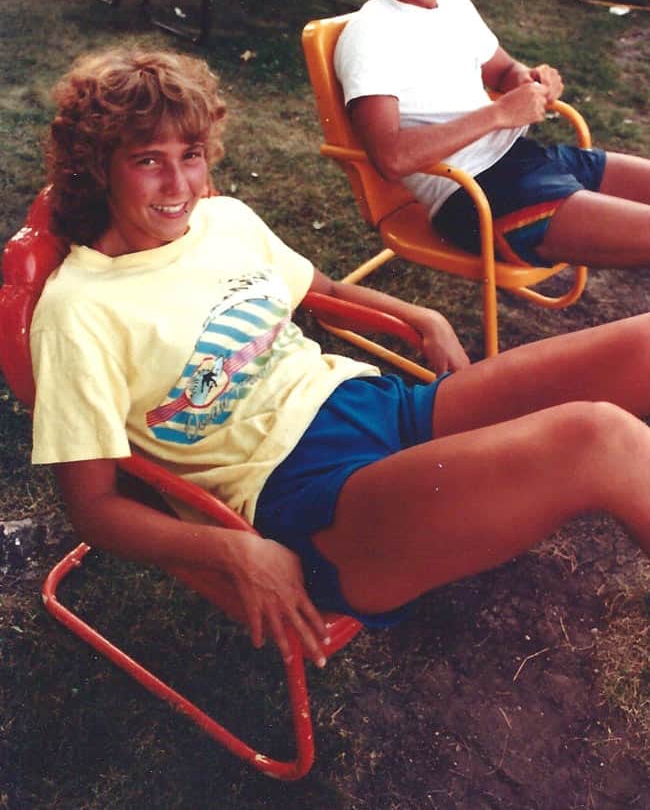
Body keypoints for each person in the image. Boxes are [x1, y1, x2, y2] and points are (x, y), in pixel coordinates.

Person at [30, 46, 650, 671]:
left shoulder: (224, 220)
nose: (179, 185)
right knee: (598, 439)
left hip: (379, 409)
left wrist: (422, 318)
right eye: (147, 161)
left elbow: (319, 291)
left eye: (190, 156)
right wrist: (233, 552)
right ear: (98, 167)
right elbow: (94, 507)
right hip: (307, 499)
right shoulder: (79, 310)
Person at [334, 0, 650, 270]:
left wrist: (528, 82)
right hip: (473, 196)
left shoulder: (454, 4)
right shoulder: (369, 33)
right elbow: (392, 157)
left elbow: (502, 69)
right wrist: (500, 114)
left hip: (528, 159)